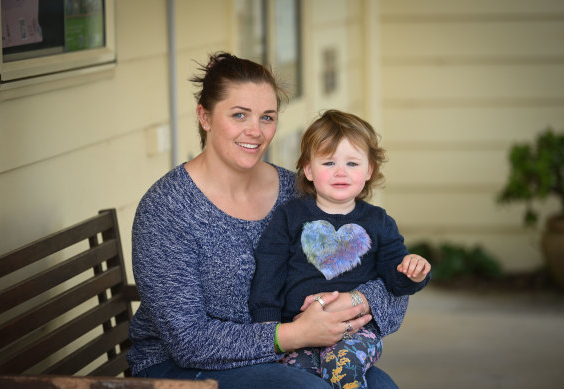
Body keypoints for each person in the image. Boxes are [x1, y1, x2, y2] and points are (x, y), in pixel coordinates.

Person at [128, 52, 409, 389]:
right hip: (180, 368)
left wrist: (356, 300)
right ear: (205, 117)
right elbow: (189, 342)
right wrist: (293, 334)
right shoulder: (168, 209)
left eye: (267, 117)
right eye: (239, 115)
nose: (255, 131)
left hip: (300, 352)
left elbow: (393, 278)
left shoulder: (298, 192)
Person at [249, 109, 431, 388]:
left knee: (342, 366)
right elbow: (268, 275)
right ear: (308, 169)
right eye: (329, 162)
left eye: (352, 163)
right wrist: (268, 327)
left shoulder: (378, 221)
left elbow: (395, 277)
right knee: (296, 376)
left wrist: (413, 272)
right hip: (299, 329)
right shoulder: (289, 216)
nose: (341, 172)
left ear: (369, 170)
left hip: (355, 330)